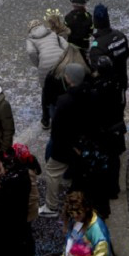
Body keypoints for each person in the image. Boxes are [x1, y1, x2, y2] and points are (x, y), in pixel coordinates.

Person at [39, 64, 90, 218]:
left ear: (68, 79)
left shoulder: (64, 101)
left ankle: (51, 206)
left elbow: (57, 130)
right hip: (82, 144)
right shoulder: (90, 94)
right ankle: (79, 203)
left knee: (52, 172)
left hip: (65, 146)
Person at [26, 12, 72, 128]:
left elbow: (31, 52)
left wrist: (39, 64)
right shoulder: (51, 32)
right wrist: (64, 58)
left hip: (45, 67)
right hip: (61, 64)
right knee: (64, 86)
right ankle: (68, 113)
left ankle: (46, 120)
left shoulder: (30, 39)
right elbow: (66, 45)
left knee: (46, 92)